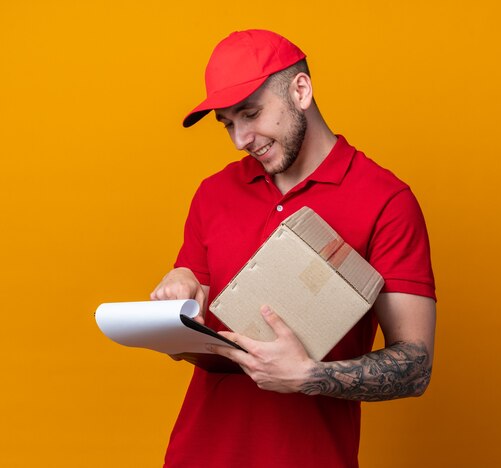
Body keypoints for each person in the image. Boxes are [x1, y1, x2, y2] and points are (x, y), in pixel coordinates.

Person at [151, 29, 436, 468]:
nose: (240, 139)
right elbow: (197, 338)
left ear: (300, 90)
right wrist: (176, 293)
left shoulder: (386, 201)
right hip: (196, 454)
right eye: (228, 123)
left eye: (251, 114)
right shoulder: (213, 193)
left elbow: (415, 366)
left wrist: (309, 377)